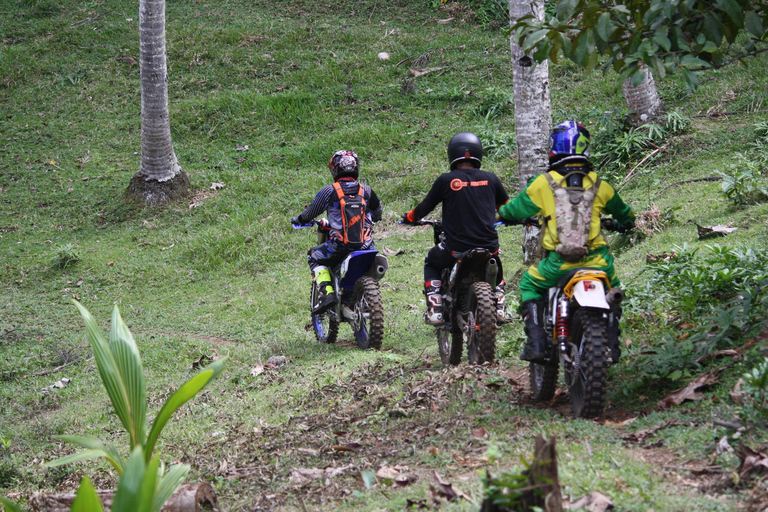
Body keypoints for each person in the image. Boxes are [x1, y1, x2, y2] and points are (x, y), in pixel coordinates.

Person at [498, 120, 635, 364]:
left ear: (554, 147)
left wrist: (504, 214)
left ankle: (537, 342)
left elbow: (514, 211)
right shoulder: (600, 184)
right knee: (613, 290)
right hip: (599, 263)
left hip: (558, 265)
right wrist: (625, 223)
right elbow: (625, 214)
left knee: (529, 283)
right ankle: (612, 344)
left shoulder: (542, 183)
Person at [401, 132, 511, 325]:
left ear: (452, 155)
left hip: (455, 248)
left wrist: (409, 218)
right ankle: (500, 306)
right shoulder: (491, 179)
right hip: (489, 246)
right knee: (495, 264)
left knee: (432, 262)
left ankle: (435, 310)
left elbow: (424, 207)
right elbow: (506, 208)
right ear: (479, 154)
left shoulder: (446, 180)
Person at [291, 150, 383, 313]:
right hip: (367, 246)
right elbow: (377, 214)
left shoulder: (329, 191)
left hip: (340, 246)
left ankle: (328, 294)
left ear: (334, 169)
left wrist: (299, 221)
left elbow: (310, 213)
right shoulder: (366, 191)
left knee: (314, 257)